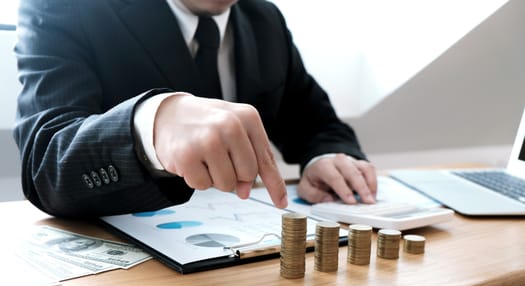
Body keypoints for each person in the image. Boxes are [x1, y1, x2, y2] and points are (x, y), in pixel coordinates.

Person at [13, 0, 377, 218]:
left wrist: (327, 157)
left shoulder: (265, 19)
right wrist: (149, 128)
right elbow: (45, 163)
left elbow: (317, 121)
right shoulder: (64, 7)